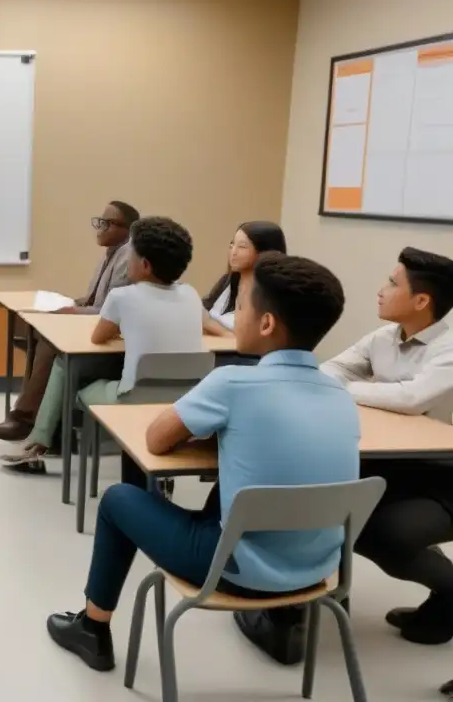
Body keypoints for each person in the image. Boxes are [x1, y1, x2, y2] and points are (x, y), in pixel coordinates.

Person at [45, 253, 358, 672]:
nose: (233, 318)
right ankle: (283, 617)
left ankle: (92, 627)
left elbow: (157, 439)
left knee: (119, 499)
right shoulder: (341, 394)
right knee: (234, 488)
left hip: (234, 569)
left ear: (266, 324)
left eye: (241, 308)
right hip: (317, 572)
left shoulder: (231, 382)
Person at [2, 217, 204, 473]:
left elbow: (99, 337)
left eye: (129, 256)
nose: (125, 262)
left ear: (144, 264)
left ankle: (37, 443)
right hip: (183, 399)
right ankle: (40, 441)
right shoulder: (190, 294)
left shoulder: (122, 297)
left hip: (132, 398)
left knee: (67, 370)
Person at [328, 247, 453, 645]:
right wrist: (365, 388)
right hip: (397, 464)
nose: (380, 291)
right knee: (336, 506)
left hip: (444, 474)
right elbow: (329, 369)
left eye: (392, 283)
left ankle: (450, 594)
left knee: (383, 532)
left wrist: (354, 389)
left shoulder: (449, 347)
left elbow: (414, 399)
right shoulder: (384, 337)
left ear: (421, 300)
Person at [0, 201, 139, 442]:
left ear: (128, 229)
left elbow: (109, 311)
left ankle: (26, 417)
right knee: (34, 331)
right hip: (94, 327)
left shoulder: (128, 258)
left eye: (108, 224)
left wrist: (71, 311)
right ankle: (36, 418)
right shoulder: (109, 253)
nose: (100, 228)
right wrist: (69, 302)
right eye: (100, 222)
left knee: (49, 341)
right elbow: (93, 299)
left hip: (110, 343)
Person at [202, 221, 287, 337]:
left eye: (241, 247)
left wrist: (211, 325)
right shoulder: (228, 281)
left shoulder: (270, 293)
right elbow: (203, 312)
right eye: (232, 245)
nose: (233, 252)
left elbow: (252, 339)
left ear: (264, 252)